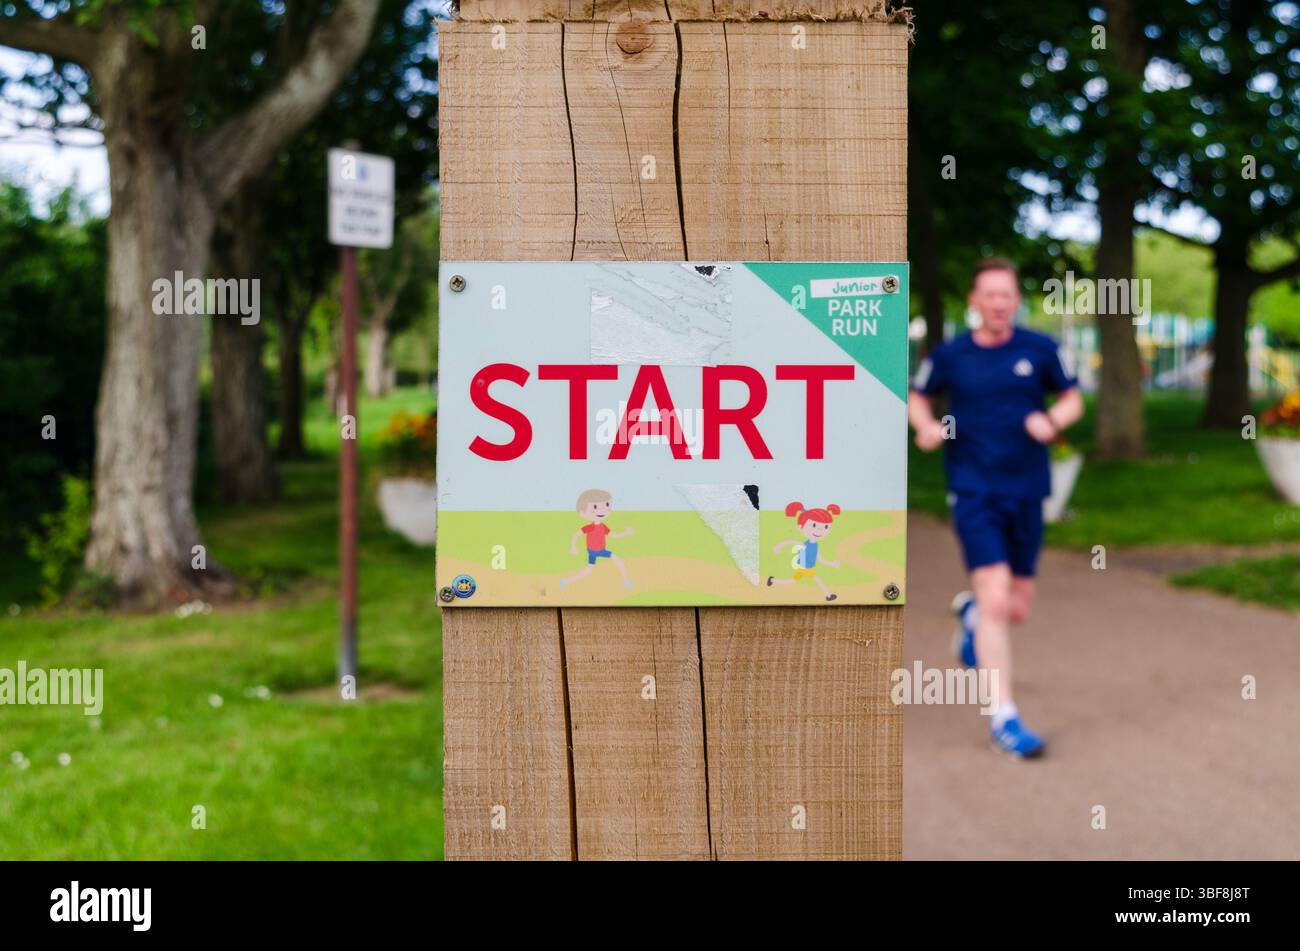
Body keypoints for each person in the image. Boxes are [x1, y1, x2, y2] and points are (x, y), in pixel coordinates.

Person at [908, 258, 1084, 758]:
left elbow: (1072, 400)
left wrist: (1051, 421)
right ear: (974, 301)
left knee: (1013, 608)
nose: (999, 303)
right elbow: (917, 397)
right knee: (995, 595)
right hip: (972, 487)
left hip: (1027, 489)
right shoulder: (949, 355)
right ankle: (1003, 717)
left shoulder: (1041, 349)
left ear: (1016, 300)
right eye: (990, 295)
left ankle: (969, 617)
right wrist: (924, 427)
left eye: (1007, 295)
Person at [561, 488, 635, 589]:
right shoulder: (591, 527)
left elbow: (612, 535)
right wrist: (573, 547)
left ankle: (565, 581)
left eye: (607, 505)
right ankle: (626, 581)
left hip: (595, 551)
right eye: (595, 507)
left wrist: (625, 533)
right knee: (616, 559)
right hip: (597, 551)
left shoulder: (602, 526)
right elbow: (577, 534)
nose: (603, 510)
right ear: (582, 513)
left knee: (588, 569)